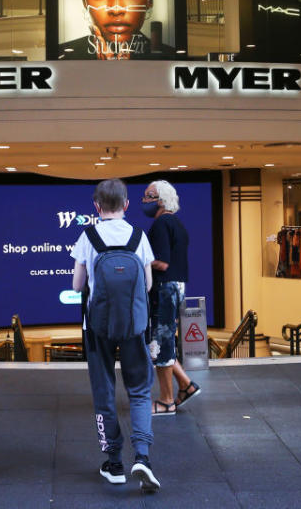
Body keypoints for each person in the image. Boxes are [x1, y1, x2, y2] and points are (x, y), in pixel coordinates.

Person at [71, 178, 161, 491]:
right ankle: (143, 457)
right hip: (134, 325)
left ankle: (114, 462)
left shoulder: (88, 235)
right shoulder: (138, 236)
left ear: (96, 206)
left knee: (105, 391)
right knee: (139, 390)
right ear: (126, 205)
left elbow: (77, 286)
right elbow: (148, 284)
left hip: (98, 327)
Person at [142, 180, 200, 416]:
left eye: (149, 195)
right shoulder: (176, 223)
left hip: (164, 289)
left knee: (161, 344)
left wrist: (139, 259)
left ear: (161, 199)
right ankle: (186, 386)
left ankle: (166, 400)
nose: (144, 200)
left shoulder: (161, 224)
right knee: (164, 341)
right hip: (176, 288)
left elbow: (162, 262)